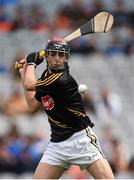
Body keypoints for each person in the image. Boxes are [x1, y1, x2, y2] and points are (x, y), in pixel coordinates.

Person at [16, 37, 114, 179]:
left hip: (81, 140)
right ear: (47, 56)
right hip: (57, 144)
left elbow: (29, 84)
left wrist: (31, 62)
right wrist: (23, 73)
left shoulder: (62, 79)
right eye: (53, 54)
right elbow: (32, 105)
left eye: (61, 55)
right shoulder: (46, 78)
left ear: (66, 58)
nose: (57, 58)